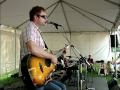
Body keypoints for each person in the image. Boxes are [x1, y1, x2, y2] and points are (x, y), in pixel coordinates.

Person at [19, 6, 66, 90]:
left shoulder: (37, 31)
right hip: (32, 72)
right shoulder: (30, 28)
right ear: (35, 17)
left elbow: (44, 52)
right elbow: (32, 49)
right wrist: (51, 56)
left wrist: (61, 51)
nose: (46, 19)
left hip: (40, 72)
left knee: (63, 87)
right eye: (44, 16)